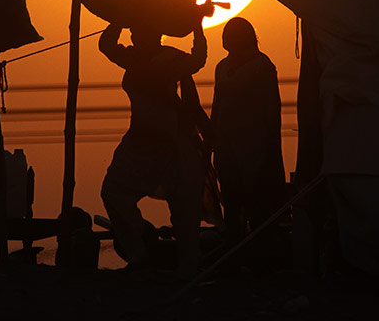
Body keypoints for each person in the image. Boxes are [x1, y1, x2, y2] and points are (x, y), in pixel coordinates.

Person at [99, 18, 208, 277]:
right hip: (139, 139)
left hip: (169, 141)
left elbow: (198, 59)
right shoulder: (133, 57)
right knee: (113, 192)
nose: (134, 36)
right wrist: (120, 19)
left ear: (155, 35)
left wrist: (197, 25)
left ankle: (187, 265)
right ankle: (140, 253)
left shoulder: (168, 58)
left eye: (138, 31)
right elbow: (106, 45)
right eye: (133, 32)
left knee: (182, 205)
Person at [210, 17, 285, 257]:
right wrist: (212, 138)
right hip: (226, 144)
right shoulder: (221, 66)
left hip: (254, 143)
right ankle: (234, 252)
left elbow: (272, 108)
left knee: (256, 201)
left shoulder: (261, 66)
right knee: (231, 200)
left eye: (231, 33)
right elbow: (217, 104)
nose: (225, 38)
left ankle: (261, 256)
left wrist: (271, 146)